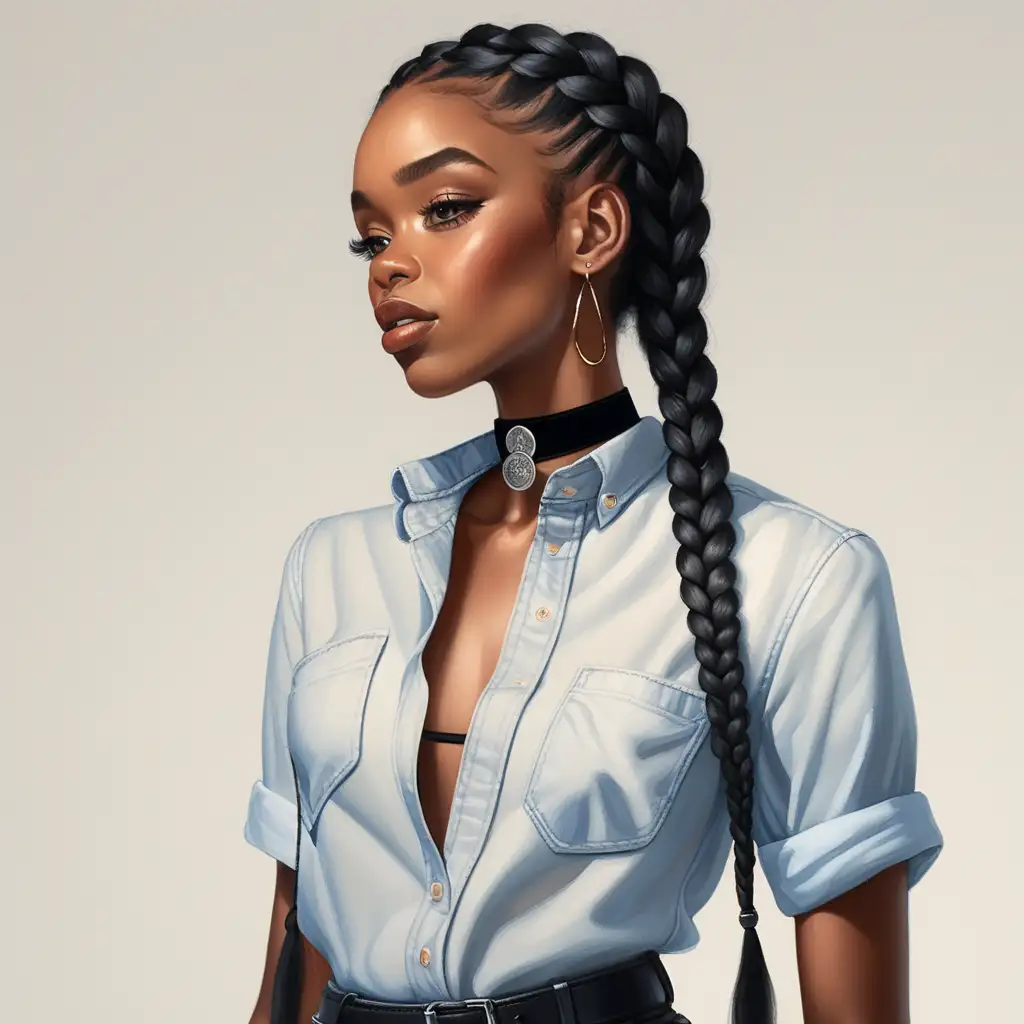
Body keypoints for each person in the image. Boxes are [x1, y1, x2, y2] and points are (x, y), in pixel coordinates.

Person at [243, 22, 943, 1024]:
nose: (387, 265)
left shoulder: (795, 574)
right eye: (371, 232)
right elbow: (289, 954)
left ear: (593, 230)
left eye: (443, 208)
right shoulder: (333, 568)